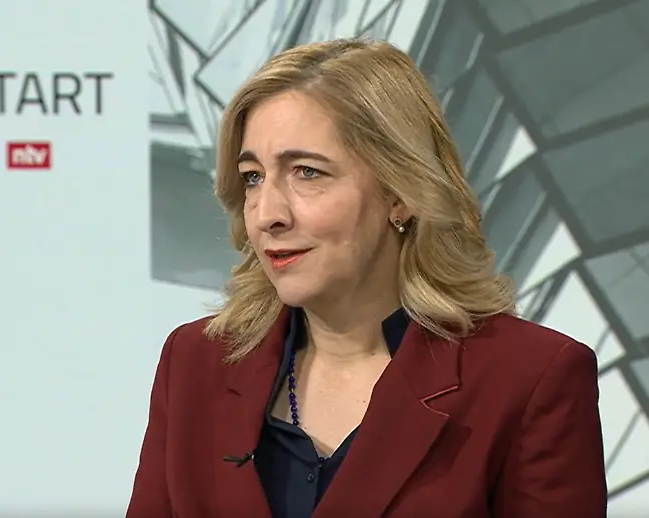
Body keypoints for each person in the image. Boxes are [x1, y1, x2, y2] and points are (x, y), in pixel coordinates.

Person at [126, 39, 606, 518]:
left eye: (307, 172)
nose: (267, 214)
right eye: (253, 177)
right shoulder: (195, 363)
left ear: (401, 193)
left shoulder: (530, 379)